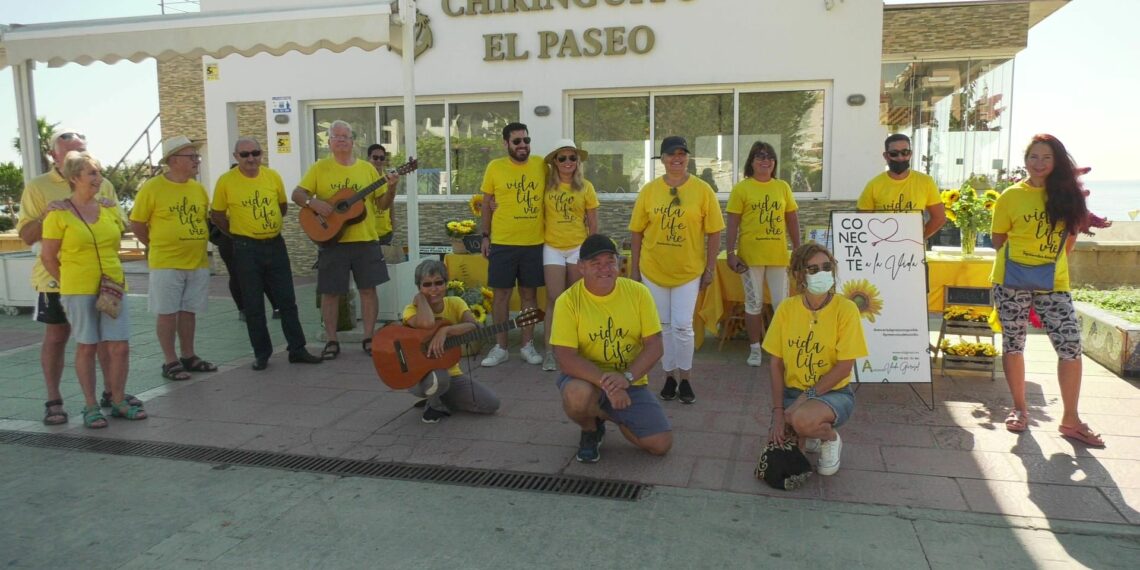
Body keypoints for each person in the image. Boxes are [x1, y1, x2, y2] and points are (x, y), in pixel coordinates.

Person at [16, 129, 140, 424]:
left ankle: (113, 395)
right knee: (59, 337)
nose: (80, 155)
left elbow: (115, 228)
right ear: (54, 156)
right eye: (72, 151)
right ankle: (55, 400)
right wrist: (47, 214)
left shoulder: (104, 185)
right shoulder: (38, 187)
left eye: (83, 149)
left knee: (111, 343)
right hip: (58, 280)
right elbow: (26, 236)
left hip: (107, 283)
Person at [990, 134, 1102, 447]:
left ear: (1057, 163)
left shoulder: (1067, 196)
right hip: (1010, 279)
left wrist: (1044, 263)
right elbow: (999, 239)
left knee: (1070, 346)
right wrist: (1026, 263)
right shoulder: (1010, 196)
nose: (1038, 164)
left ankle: (1071, 419)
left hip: (1054, 281)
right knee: (1014, 344)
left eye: (1046, 158)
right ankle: (1019, 409)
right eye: (1033, 157)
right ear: (1025, 160)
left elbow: (1070, 237)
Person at [552, 234, 672, 463]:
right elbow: (565, 358)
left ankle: (613, 416)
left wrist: (626, 378)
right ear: (581, 268)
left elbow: (655, 345)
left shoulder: (638, 293)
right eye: (595, 264)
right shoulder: (567, 301)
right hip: (586, 379)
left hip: (629, 380)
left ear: (619, 264)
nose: (604, 269)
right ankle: (591, 428)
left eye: (610, 262)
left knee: (661, 445)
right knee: (577, 396)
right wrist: (609, 384)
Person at [210, 138, 323, 370]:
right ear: (236, 156)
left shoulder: (272, 176)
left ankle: (297, 349)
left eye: (255, 153)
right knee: (253, 304)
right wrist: (237, 234)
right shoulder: (226, 181)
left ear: (261, 154)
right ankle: (262, 353)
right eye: (244, 154)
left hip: (275, 245)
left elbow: (281, 207)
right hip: (245, 248)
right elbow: (218, 215)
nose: (251, 158)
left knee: (287, 300)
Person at [629, 136, 725, 405]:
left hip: (688, 271)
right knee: (663, 326)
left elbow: (715, 231)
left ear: (688, 158)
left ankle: (686, 378)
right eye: (671, 154)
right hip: (653, 268)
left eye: (682, 154)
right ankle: (668, 376)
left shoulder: (703, 190)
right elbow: (636, 231)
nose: (677, 159)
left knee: (683, 326)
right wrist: (635, 269)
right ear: (662, 159)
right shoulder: (649, 191)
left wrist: (709, 268)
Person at [291, 120, 393, 359]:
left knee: (368, 290)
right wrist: (312, 202)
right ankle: (331, 340)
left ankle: (369, 337)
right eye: (335, 137)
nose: (340, 140)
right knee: (330, 292)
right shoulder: (319, 168)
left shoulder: (368, 169)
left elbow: (382, 204)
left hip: (366, 239)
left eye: (345, 136)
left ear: (352, 141)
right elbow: (297, 193)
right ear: (329, 142)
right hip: (332, 241)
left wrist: (392, 188)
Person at [763, 243, 867, 476]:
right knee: (782, 455)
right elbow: (775, 363)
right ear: (799, 274)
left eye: (826, 267)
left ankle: (829, 438)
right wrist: (778, 413)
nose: (822, 273)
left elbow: (844, 368)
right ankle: (807, 431)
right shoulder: (786, 309)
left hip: (833, 394)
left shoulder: (846, 309)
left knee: (801, 419)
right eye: (813, 269)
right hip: (793, 391)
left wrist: (802, 401)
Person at [130, 135, 215, 382]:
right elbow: (137, 223)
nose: (197, 161)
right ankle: (170, 360)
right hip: (166, 262)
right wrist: (155, 245)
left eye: (196, 157)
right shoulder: (153, 187)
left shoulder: (198, 188)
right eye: (192, 157)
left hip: (197, 261)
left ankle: (189, 356)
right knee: (167, 312)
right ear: (174, 160)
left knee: (189, 311)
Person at [726, 141, 801, 367]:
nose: (765, 160)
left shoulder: (782, 187)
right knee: (754, 303)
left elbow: (792, 219)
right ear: (751, 161)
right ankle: (755, 349)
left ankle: (780, 348)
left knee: (782, 304)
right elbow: (732, 224)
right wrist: (730, 253)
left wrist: (798, 249)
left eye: (769, 157)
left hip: (778, 257)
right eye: (759, 156)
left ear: (774, 162)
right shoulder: (742, 188)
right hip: (751, 257)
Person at [479, 122, 546, 367]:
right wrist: (485, 236)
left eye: (526, 141)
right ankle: (501, 347)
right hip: (503, 243)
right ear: (506, 143)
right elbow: (486, 203)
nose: (523, 145)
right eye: (517, 141)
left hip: (533, 242)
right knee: (501, 296)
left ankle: (527, 346)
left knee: (529, 296)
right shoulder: (495, 167)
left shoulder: (541, 165)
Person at [402, 259, 502, 423]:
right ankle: (433, 406)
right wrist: (420, 299)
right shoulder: (411, 310)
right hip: (419, 375)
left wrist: (445, 330)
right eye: (426, 285)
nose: (433, 289)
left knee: (491, 404)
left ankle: (440, 396)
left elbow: (473, 325)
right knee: (439, 377)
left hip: (452, 374)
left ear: (446, 284)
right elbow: (427, 323)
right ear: (419, 288)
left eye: (438, 283)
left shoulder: (455, 303)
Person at [540, 139, 599, 371]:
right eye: (562, 157)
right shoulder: (545, 185)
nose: (567, 162)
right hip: (552, 246)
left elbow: (593, 222)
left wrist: (590, 251)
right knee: (554, 298)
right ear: (555, 161)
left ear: (578, 162)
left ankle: (578, 349)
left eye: (572, 158)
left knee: (576, 300)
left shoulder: (586, 187)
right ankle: (550, 352)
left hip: (578, 247)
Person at [856, 133, 946, 240]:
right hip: (881, 249)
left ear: (910, 154)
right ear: (886, 156)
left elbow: (939, 217)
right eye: (894, 153)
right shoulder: (874, 185)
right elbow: (862, 221)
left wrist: (919, 240)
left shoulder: (926, 182)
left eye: (905, 152)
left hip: (914, 250)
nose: (900, 157)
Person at [366, 143, 400, 246]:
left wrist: (393, 228)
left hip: (385, 234)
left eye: (382, 158)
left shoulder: (388, 180)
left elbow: (391, 206)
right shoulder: (363, 178)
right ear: (368, 158)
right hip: (367, 234)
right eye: (375, 158)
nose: (378, 161)